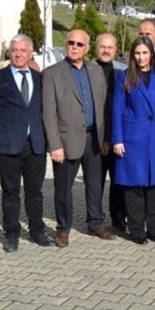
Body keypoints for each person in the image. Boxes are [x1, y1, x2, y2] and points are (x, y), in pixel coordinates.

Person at [42, 29, 114, 248]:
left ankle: (95, 223)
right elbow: (48, 113)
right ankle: (63, 229)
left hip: (94, 139)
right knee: (63, 188)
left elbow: (103, 107)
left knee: (95, 184)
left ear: (87, 48)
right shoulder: (52, 73)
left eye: (79, 44)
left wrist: (106, 138)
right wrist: (54, 145)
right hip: (66, 141)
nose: (74, 47)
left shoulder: (95, 71)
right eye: (70, 42)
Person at [0, 34, 51, 253]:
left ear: (31, 52)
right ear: (10, 53)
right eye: (15, 50)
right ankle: (11, 234)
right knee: (10, 193)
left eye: (23, 50)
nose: (19, 54)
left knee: (35, 192)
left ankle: (37, 231)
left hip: (36, 145)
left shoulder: (40, 78)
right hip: (9, 145)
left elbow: (43, 109)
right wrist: (8, 129)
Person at [112, 36, 155, 244]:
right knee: (134, 185)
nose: (141, 57)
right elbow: (117, 109)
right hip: (133, 137)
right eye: (137, 53)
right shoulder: (124, 76)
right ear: (132, 55)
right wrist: (117, 139)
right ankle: (137, 229)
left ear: (151, 54)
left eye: (145, 52)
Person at [94, 33, 127, 232]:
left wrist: (113, 137)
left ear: (116, 50)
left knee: (118, 180)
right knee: (95, 182)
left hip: (118, 136)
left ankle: (119, 217)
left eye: (110, 47)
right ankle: (95, 217)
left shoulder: (123, 72)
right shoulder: (88, 70)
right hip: (95, 137)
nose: (106, 50)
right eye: (102, 47)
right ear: (96, 48)